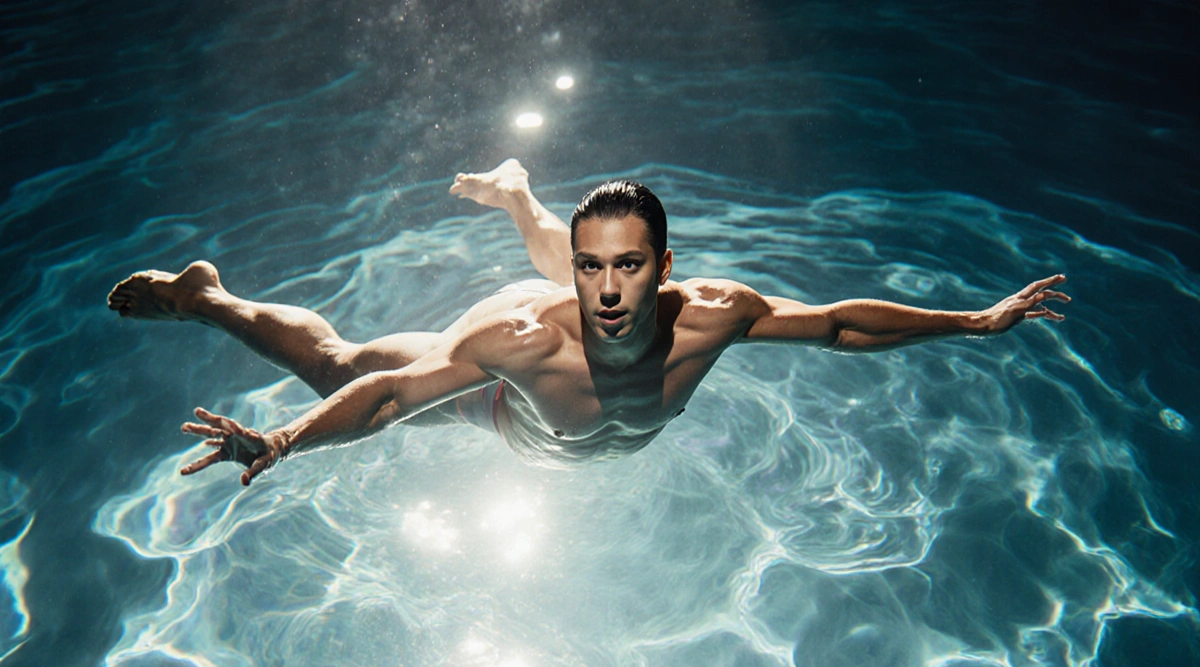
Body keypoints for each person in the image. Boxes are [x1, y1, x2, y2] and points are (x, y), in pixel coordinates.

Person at [107, 159, 1070, 485]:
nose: (608, 289)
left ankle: (517, 192)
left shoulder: (715, 316)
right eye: (592, 267)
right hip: (510, 405)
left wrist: (972, 323)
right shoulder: (522, 341)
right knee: (340, 363)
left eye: (630, 266)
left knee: (578, 280)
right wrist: (282, 439)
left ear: (667, 268)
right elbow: (391, 395)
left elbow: (836, 327)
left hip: (574, 401)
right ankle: (207, 296)